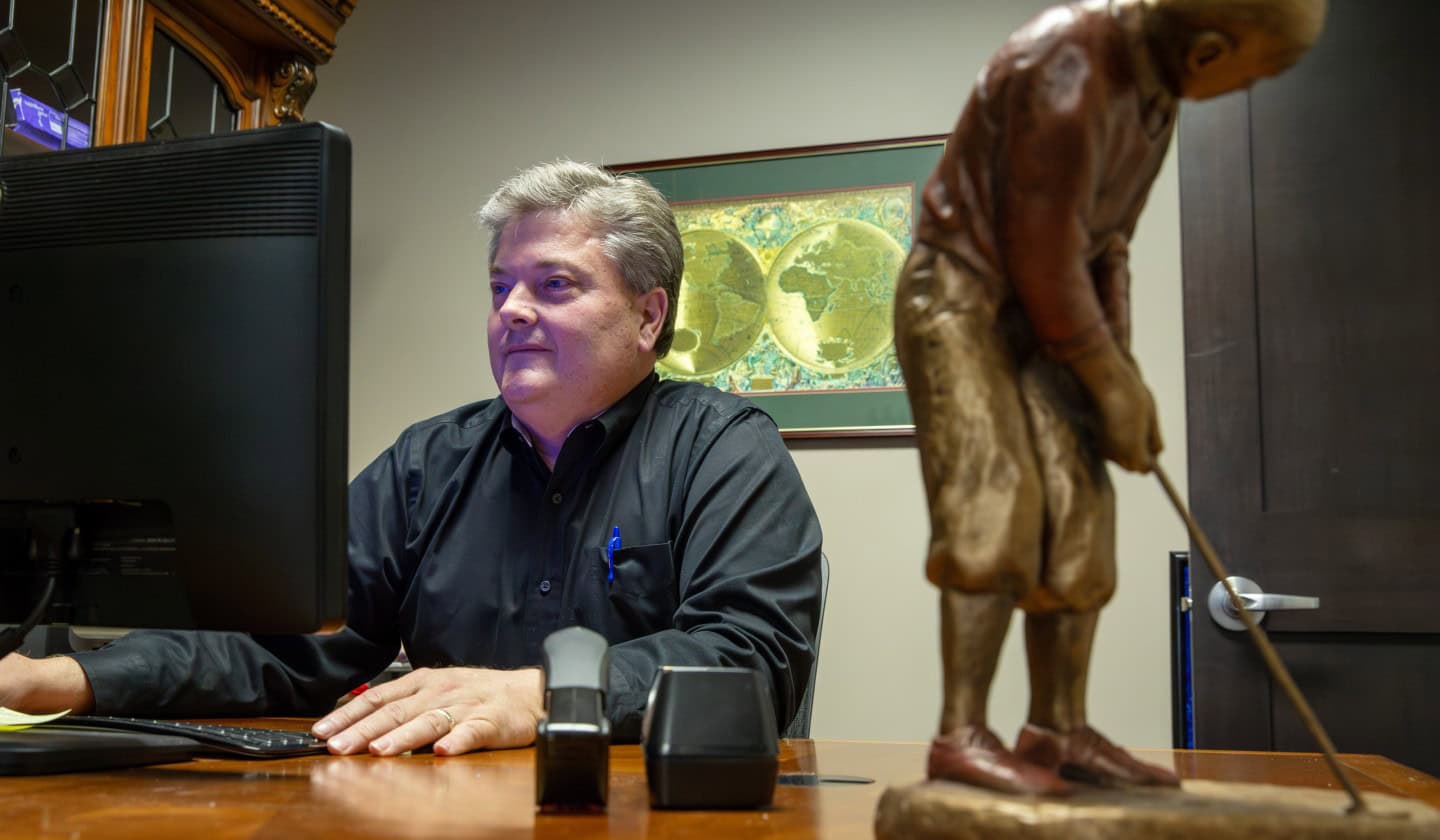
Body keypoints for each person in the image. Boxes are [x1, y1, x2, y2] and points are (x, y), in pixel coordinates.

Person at [0, 160, 824, 756]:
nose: (514, 311)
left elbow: (750, 659)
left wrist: (535, 697)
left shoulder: (722, 448)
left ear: (649, 317)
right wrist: (72, 680)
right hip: (441, 829)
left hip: (658, 837)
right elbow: (293, 638)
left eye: (556, 285)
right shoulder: (431, 460)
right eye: (501, 287)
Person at [894, 0, 1325, 796]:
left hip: (1052, 314)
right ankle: (960, 733)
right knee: (997, 502)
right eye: (1256, 73)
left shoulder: (1156, 93)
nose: (1249, 89)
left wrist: (1117, 376)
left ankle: (1057, 730)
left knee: (1080, 506)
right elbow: (1046, 250)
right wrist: (1107, 373)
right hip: (964, 298)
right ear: (1205, 51)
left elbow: (1105, 245)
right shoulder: (1073, 65)